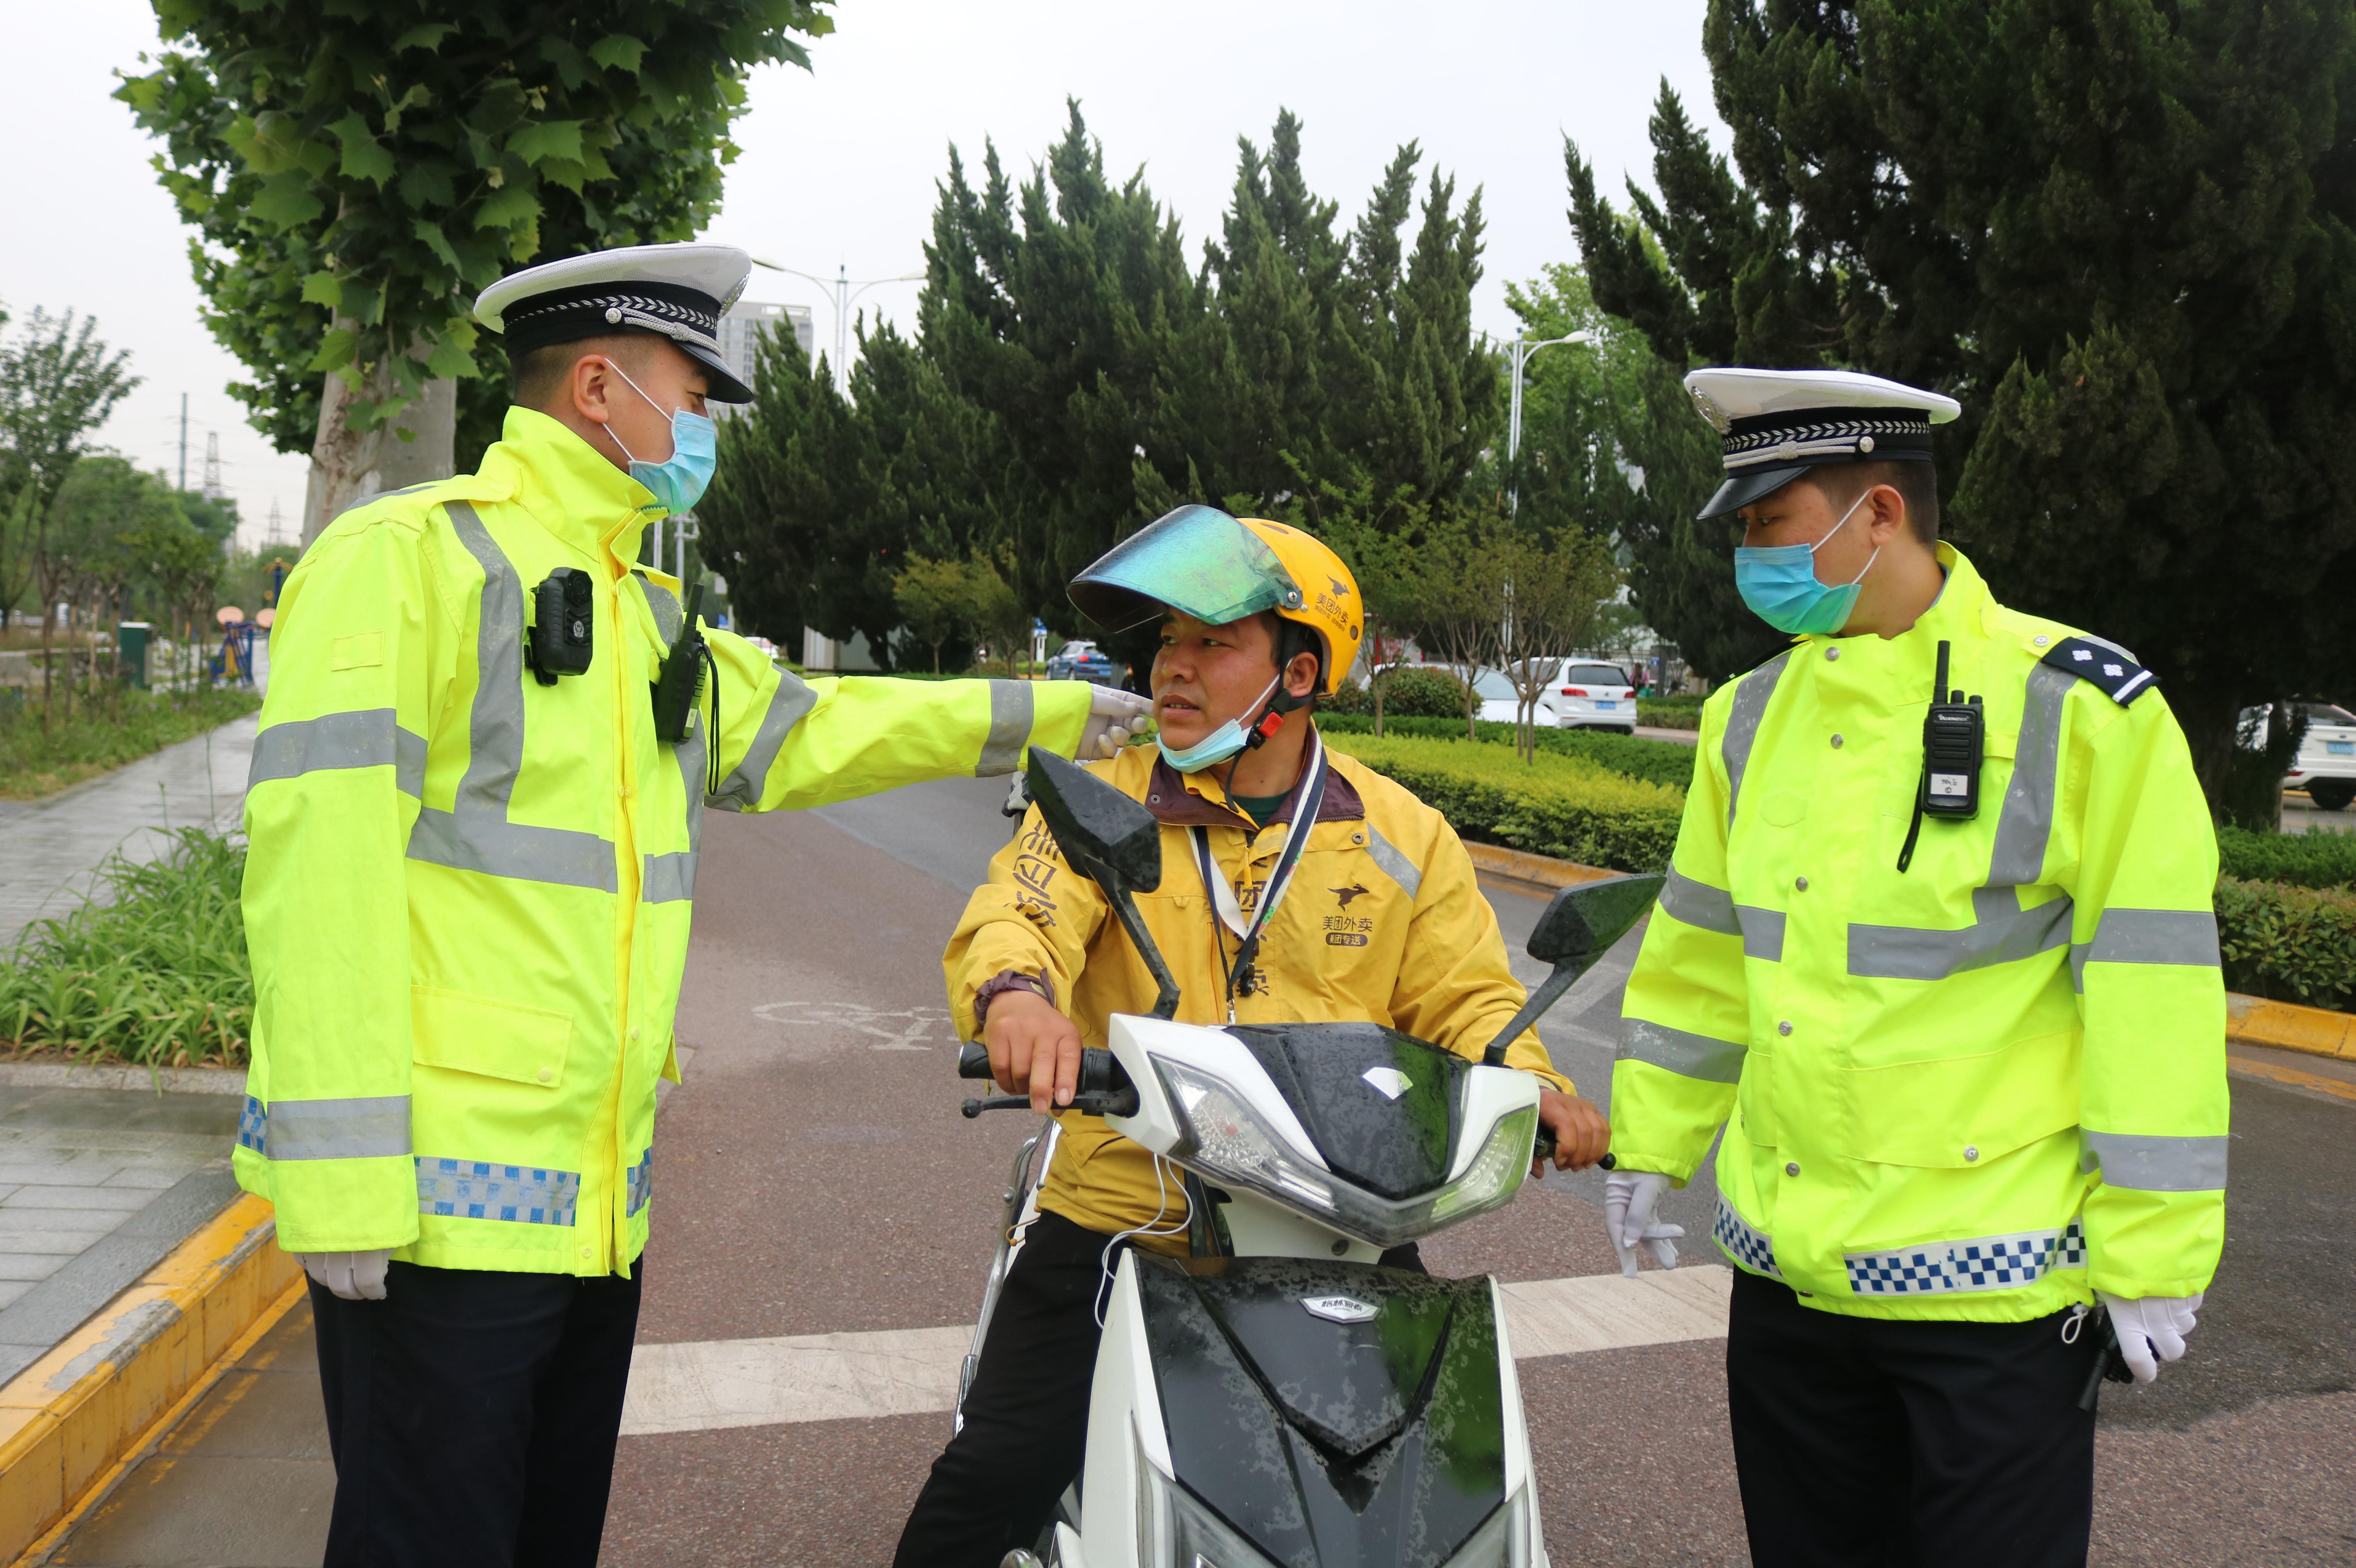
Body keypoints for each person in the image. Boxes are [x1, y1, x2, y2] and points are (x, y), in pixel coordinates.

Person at [235, 242, 1152, 1568]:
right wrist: (341, 1190)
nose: (708, 425)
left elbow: (813, 729)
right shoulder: (403, 565)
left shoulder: (645, 610)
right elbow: (320, 881)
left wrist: (1060, 712)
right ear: (601, 388)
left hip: (593, 1215)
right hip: (429, 1220)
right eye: (694, 390)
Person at [891, 505, 1610, 1568]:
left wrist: (1535, 1086)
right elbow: (1023, 914)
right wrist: (1018, 1001)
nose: (1173, 670)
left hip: (1343, 1220)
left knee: (1419, 1491)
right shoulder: (1103, 799)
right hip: (1130, 1216)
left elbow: (1471, 1002)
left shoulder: (1403, 837)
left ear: (1303, 673)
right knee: (995, 1476)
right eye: (1167, 644)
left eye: (1213, 644)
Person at [1605, 367, 2228, 1565]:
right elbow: (1700, 961)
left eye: (1767, 524)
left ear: (1877, 513)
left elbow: (2156, 998)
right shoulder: (1746, 718)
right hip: (1788, 1284)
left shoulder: (2082, 708)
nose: (1749, 556)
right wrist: (1653, 1139)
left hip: (1988, 1299)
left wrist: (2154, 1253)